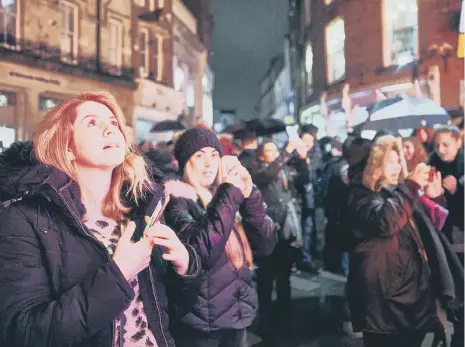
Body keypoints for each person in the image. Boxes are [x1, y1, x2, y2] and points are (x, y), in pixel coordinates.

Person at [0, 92, 201, 347]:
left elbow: (172, 312)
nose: (110, 129)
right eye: (92, 122)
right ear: (68, 147)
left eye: (114, 122)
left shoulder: (141, 209)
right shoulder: (26, 219)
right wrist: (119, 273)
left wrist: (184, 268)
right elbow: (23, 334)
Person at [163, 127, 276, 347]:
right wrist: (230, 194)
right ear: (185, 162)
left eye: (214, 155)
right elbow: (200, 252)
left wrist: (250, 195)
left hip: (236, 317)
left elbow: (266, 245)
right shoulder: (175, 201)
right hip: (200, 326)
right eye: (199, 156)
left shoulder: (226, 196)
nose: (209, 163)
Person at [346, 135, 461, 347]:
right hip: (385, 302)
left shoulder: (393, 190)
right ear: (374, 165)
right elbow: (387, 222)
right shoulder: (361, 195)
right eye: (391, 161)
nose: (398, 166)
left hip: (409, 297)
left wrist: (434, 198)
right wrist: (410, 186)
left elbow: (424, 228)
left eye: (398, 160)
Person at [251, 137, 309, 336]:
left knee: (284, 275)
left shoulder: (284, 168)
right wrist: (286, 152)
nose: (274, 153)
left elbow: (303, 180)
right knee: (266, 277)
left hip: (287, 229)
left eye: (276, 150)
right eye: (269, 150)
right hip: (268, 231)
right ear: (261, 155)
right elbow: (268, 174)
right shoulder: (258, 171)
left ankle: (285, 313)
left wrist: (302, 159)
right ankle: (265, 317)